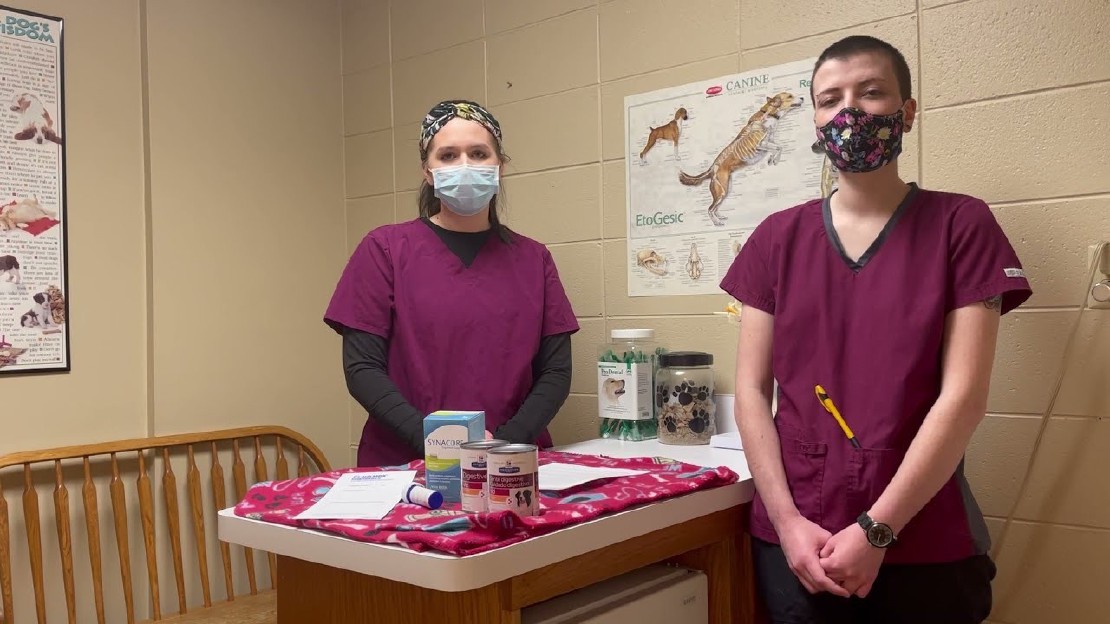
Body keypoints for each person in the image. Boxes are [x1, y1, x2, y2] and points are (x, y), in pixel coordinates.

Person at [720, 36, 1032, 623]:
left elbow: (963, 398)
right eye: (829, 99)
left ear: (907, 111)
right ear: (815, 122)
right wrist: (786, 523)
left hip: (923, 539)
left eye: (871, 93)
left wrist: (877, 530)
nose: (850, 112)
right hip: (800, 541)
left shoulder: (961, 224)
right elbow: (752, 393)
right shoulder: (776, 240)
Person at [324, 99, 579, 468]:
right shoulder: (384, 250)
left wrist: (504, 444)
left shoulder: (534, 259)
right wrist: (437, 442)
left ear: (500, 166)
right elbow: (362, 369)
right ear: (428, 172)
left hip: (511, 463)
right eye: (448, 155)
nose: (465, 165)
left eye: (478, 153)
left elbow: (555, 373)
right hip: (406, 464)